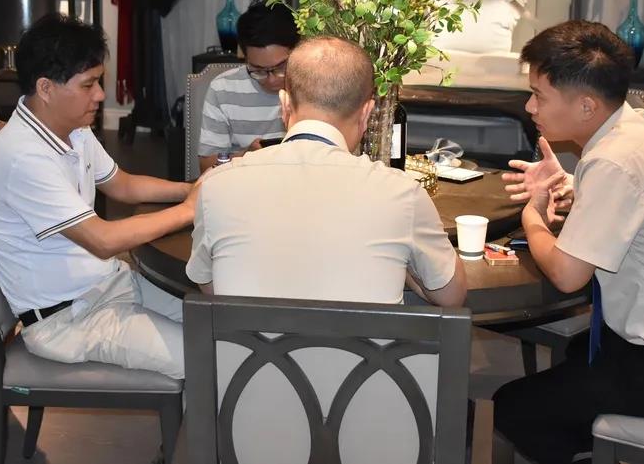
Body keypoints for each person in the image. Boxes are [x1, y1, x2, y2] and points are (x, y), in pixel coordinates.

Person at [492, 21, 644, 464]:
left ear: (586, 105)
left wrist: (533, 219)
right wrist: (571, 184)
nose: (529, 106)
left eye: (539, 96)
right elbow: (641, 204)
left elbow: (568, 275)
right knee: (575, 356)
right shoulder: (643, 130)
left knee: (513, 408)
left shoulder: (614, 161)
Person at [0, 14, 197, 379]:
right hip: (67, 320)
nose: (100, 95)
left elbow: (123, 185)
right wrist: (189, 210)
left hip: (107, 287)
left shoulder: (72, 128)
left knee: (222, 328)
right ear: (46, 88)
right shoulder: (23, 156)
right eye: (88, 84)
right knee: (205, 358)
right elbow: (103, 240)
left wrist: (189, 189)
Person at [186, 35, 467, 307]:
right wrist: (405, 266)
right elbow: (451, 297)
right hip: (365, 343)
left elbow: (210, 288)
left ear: (284, 105)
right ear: (367, 113)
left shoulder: (218, 185)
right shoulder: (402, 193)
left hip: (247, 342)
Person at [197, 0, 301, 172]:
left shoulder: (314, 85)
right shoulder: (223, 89)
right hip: (244, 181)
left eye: (281, 67)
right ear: (244, 57)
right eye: (258, 70)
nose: (272, 79)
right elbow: (206, 166)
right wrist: (245, 156)